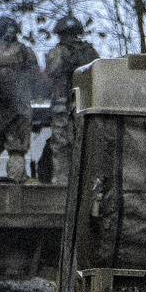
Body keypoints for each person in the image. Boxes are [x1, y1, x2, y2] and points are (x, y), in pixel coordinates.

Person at [0, 15, 43, 183]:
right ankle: (16, 188)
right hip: (18, 109)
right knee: (17, 151)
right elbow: (36, 78)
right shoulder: (25, 52)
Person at [43, 15, 100, 181]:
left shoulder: (56, 53)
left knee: (61, 145)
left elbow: (50, 74)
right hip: (84, 105)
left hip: (63, 105)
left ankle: (62, 183)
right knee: (84, 144)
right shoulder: (90, 53)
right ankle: (84, 183)